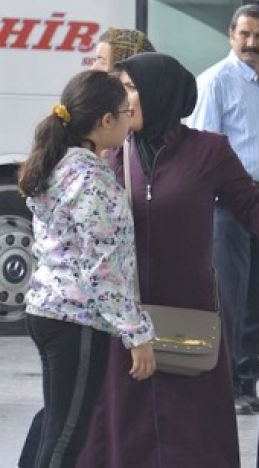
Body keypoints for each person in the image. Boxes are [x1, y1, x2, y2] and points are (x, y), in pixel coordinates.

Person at [78, 53, 259, 467]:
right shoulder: (111, 153)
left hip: (188, 312)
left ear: (161, 93)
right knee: (125, 425)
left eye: (131, 88)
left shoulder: (208, 151)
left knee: (192, 430)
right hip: (125, 318)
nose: (123, 100)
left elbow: (250, 204)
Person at [18, 71, 156, 468]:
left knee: (55, 427)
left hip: (48, 310)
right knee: (66, 438)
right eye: (124, 113)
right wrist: (137, 333)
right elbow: (103, 269)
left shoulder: (57, 165)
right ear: (105, 121)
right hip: (75, 320)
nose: (130, 120)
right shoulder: (92, 179)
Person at [189, 1, 259, 414]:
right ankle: (225, 388)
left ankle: (246, 383)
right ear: (231, 36)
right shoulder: (216, 82)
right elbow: (202, 150)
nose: (252, 42)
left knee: (258, 296)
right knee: (229, 299)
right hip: (230, 204)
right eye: (244, 34)